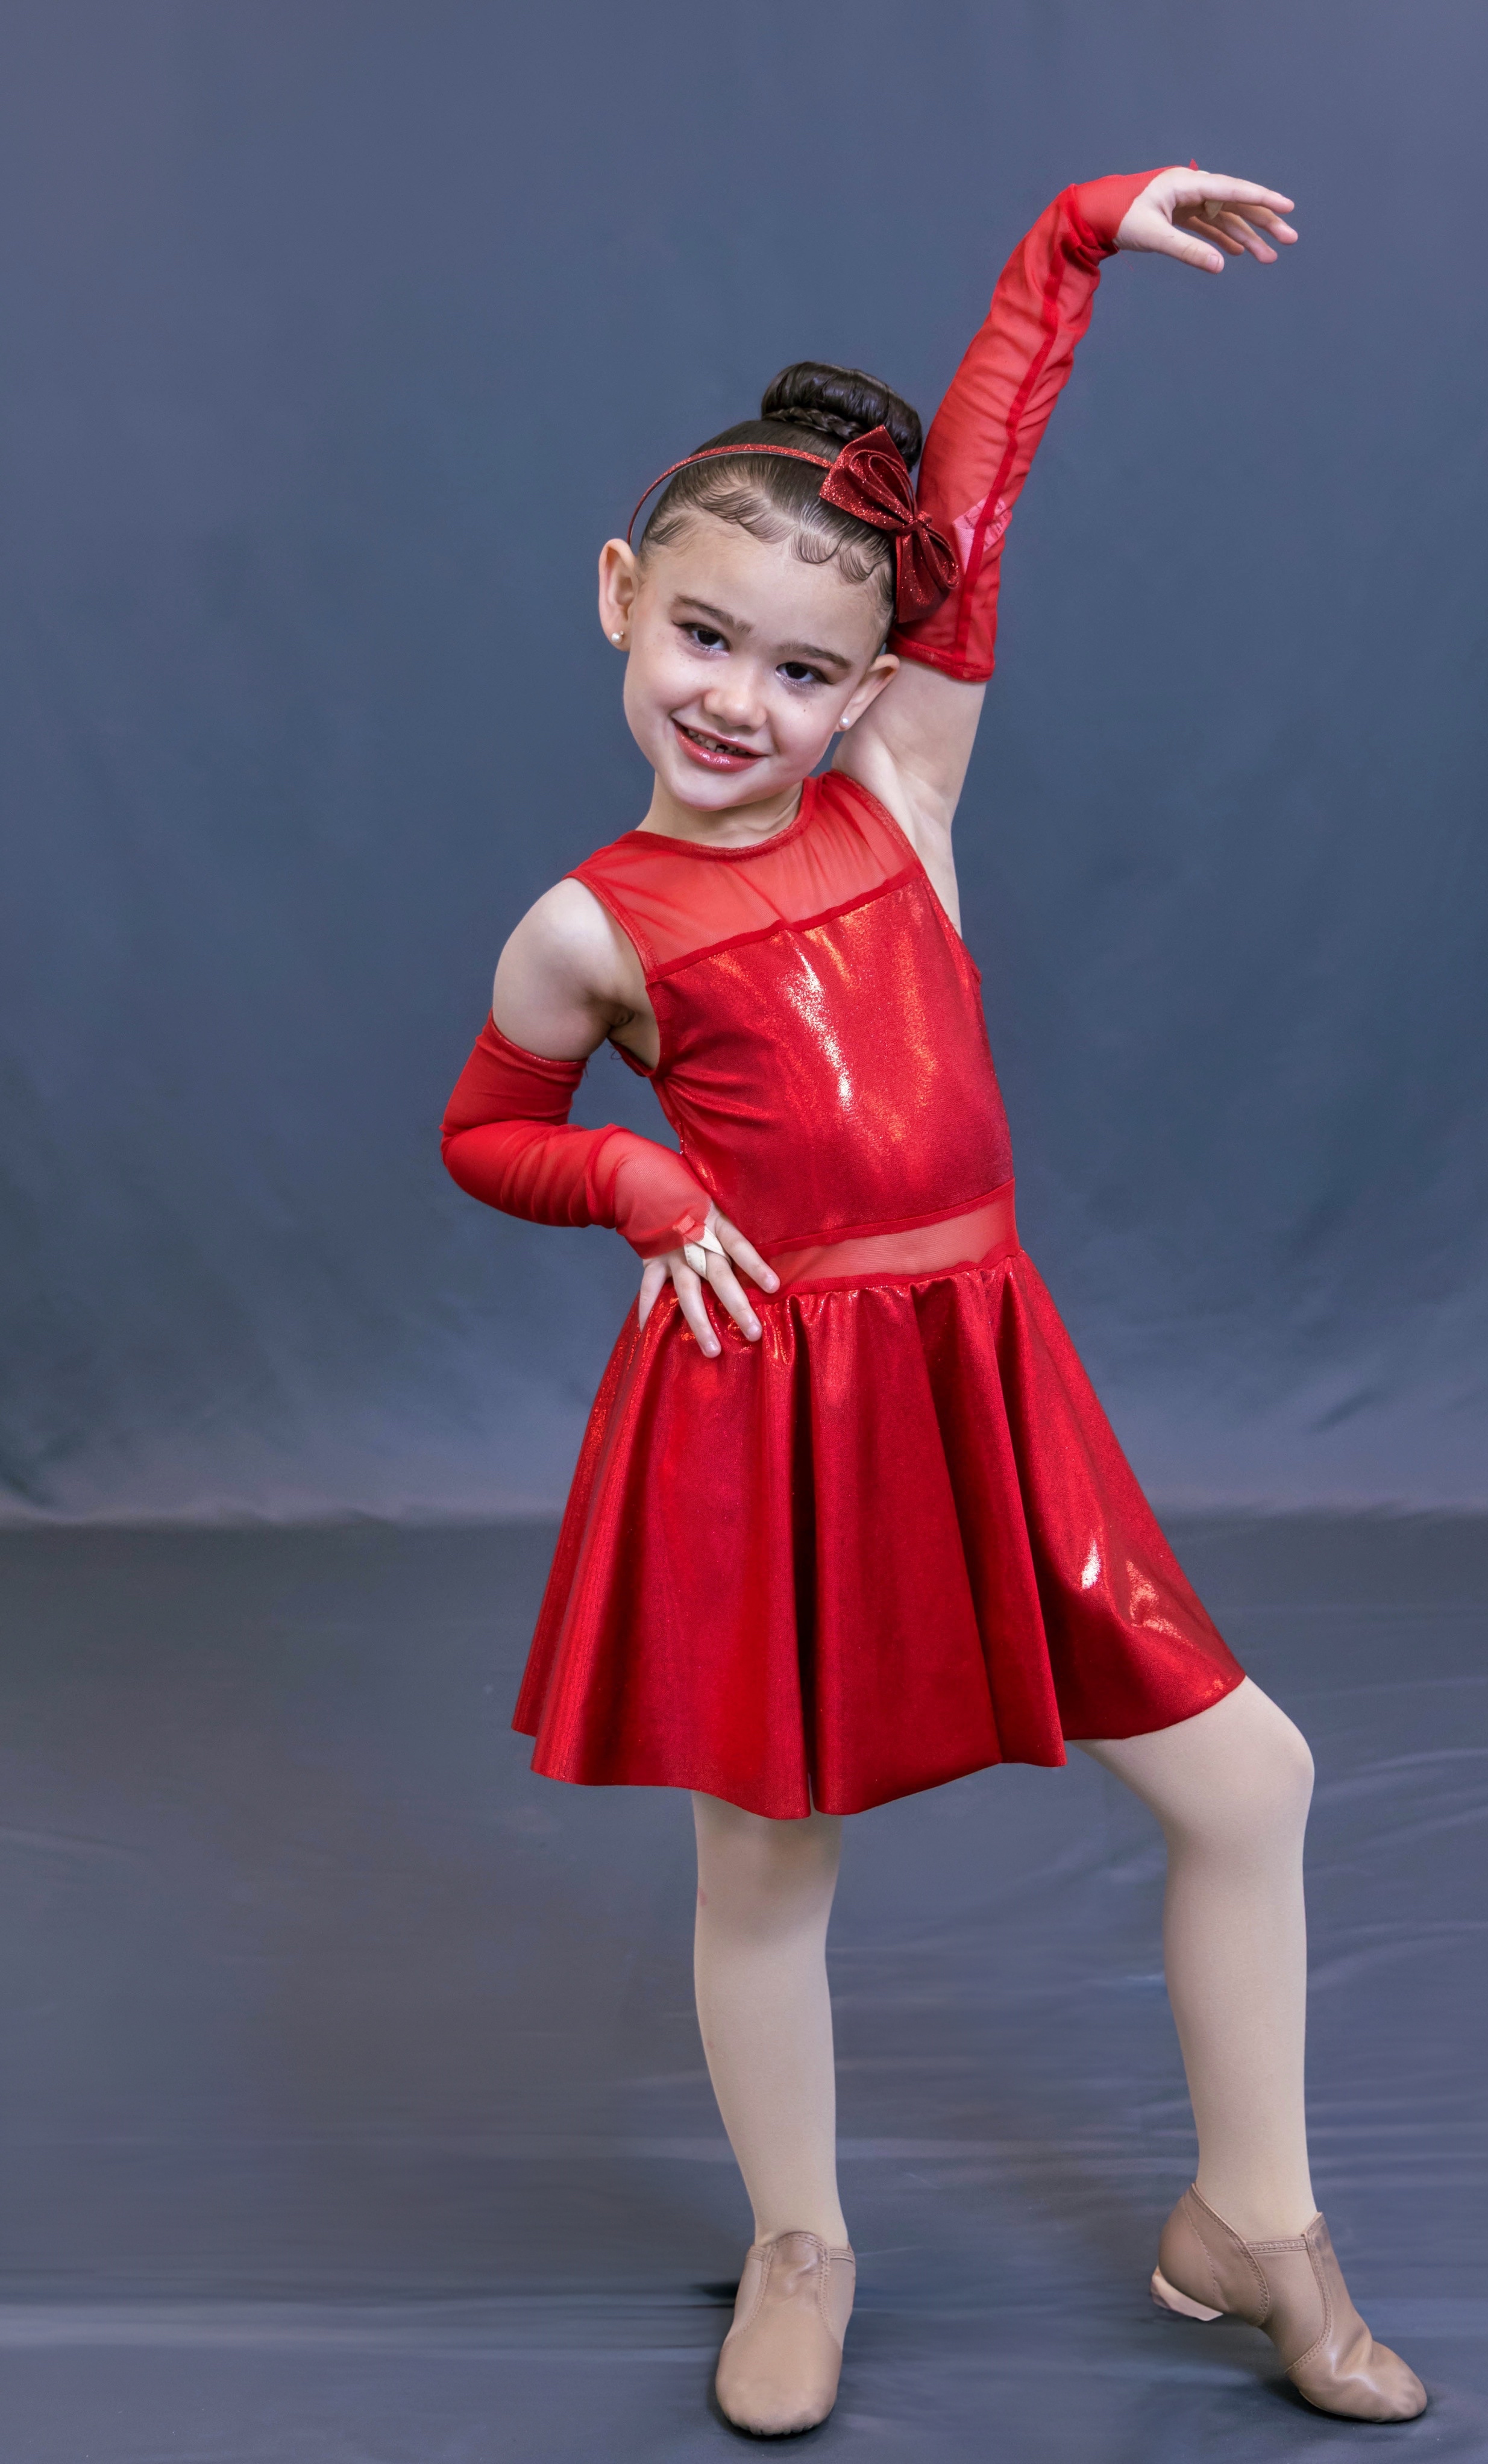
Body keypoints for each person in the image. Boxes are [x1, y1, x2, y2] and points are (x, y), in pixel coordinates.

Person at [442, 163, 1427, 2436]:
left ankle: (1249, 2220)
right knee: (769, 1855)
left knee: (1243, 1780)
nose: (739, 700)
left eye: (801, 667)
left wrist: (1066, 250)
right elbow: (483, 1132)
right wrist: (618, 1165)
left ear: (869, 685)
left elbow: (968, 512)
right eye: (702, 638)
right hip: (768, 1402)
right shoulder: (585, 927)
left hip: (982, 1371)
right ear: (620, 598)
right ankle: (801, 2234)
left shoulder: (901, 789)